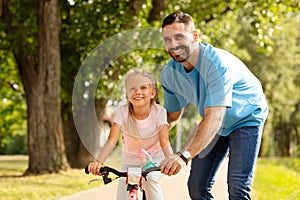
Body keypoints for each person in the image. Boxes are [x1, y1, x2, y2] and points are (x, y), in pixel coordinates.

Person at [159, 12, 268, 200]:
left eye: (179, 37)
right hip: (215, 122)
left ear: (194, 36)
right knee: (197, 187)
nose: (173, 45)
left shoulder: (216, 63)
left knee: (237, 188)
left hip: (246, 116)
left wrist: (184, 156)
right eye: (167, 39)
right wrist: (145, 137)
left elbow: (215, 116)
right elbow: (171, 117)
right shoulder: (169, 74)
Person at [88, 69, 173, 200]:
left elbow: (164, 140)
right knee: (123, 190)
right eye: (132, 88)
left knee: (150, 179)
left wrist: (170, 160)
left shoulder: (159, 112)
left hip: (155, 159)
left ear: (152, 93)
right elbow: (111, 140)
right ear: (127, 93)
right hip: (131, 162)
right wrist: (99, 162)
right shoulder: (122, 112)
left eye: (143, 87)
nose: (137, 92)